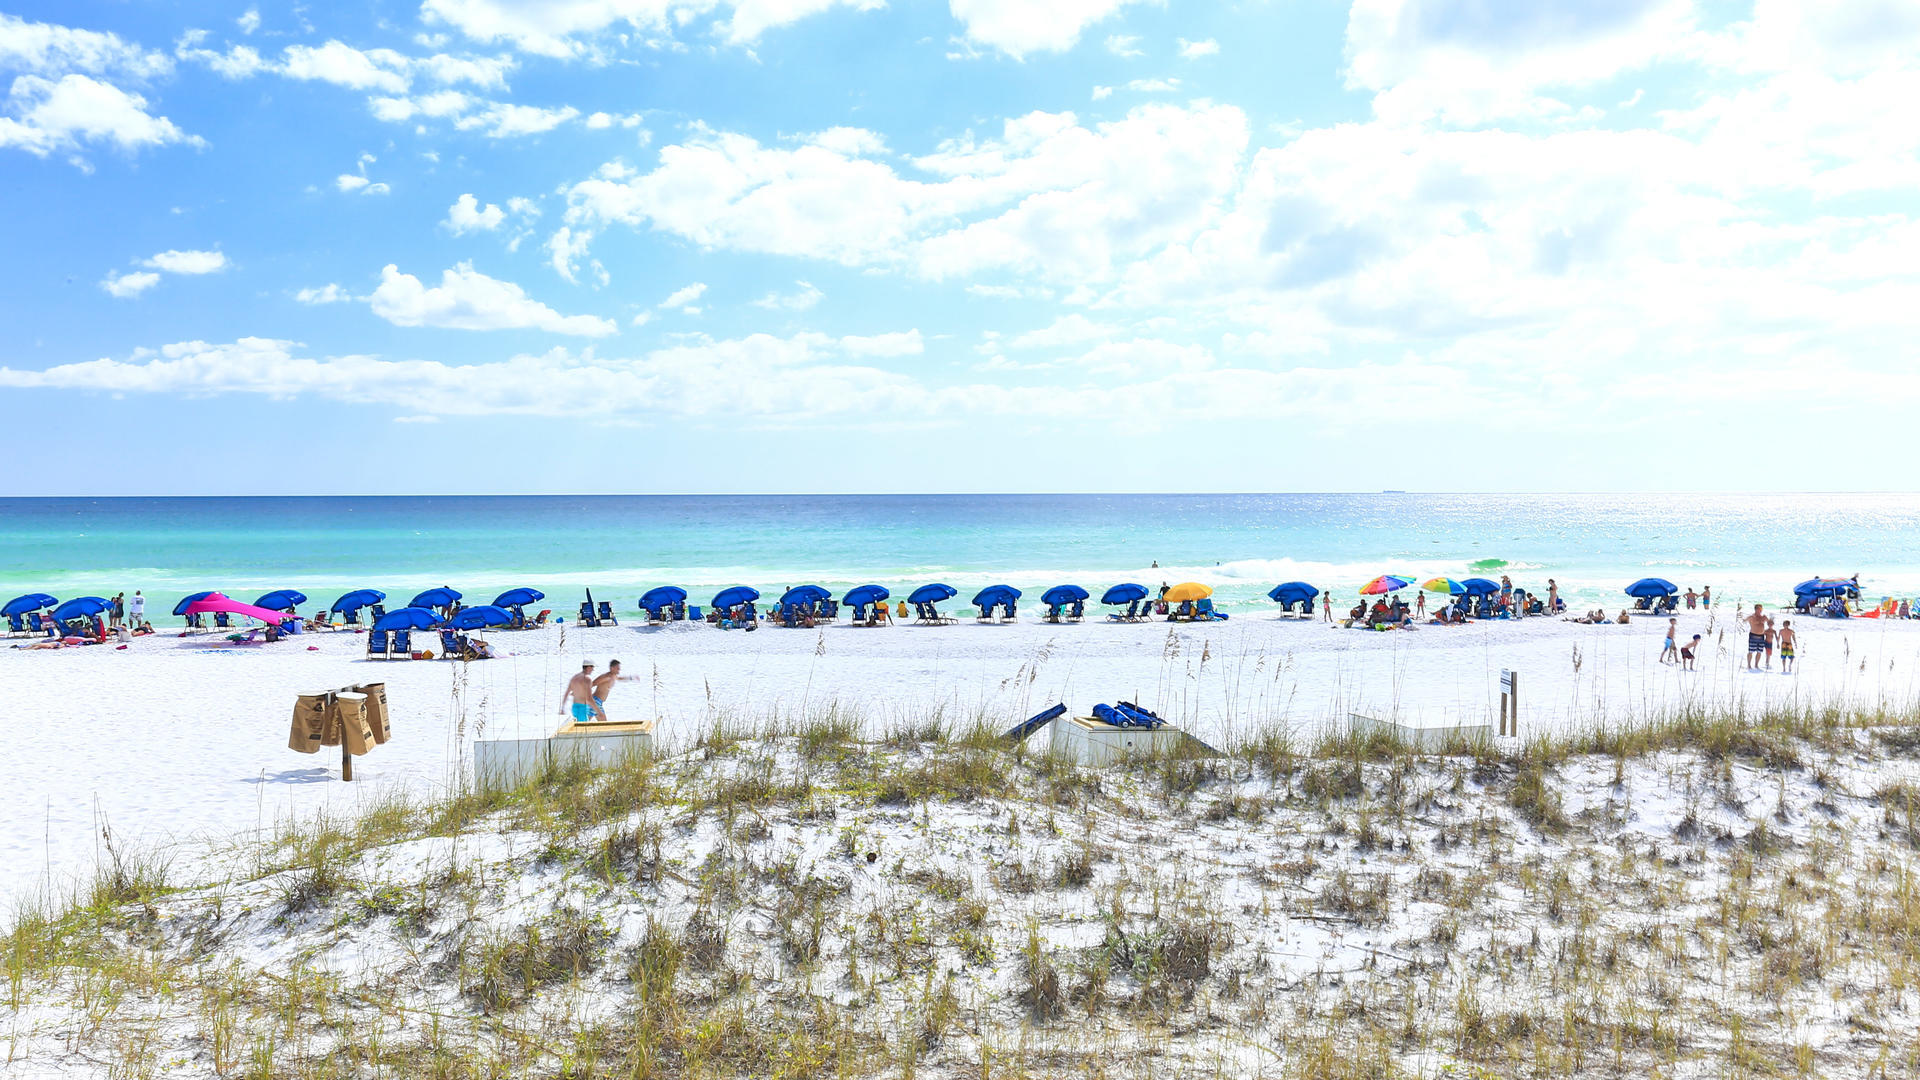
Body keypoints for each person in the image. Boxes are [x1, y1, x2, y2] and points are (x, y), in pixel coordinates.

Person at [1745, 603, 1767, 670]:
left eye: (1761, 609)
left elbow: (1770, 623)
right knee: (1751, 651)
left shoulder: (1763, 617)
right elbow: (1745, 620)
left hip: (1762, 636)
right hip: (1753, 635)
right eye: (1759, 609)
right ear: (1756, 609)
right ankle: (1749, 665)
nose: (1760, 610)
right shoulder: (1752, 616)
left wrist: (1768, 619)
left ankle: (1756, 664)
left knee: (1759, 651)